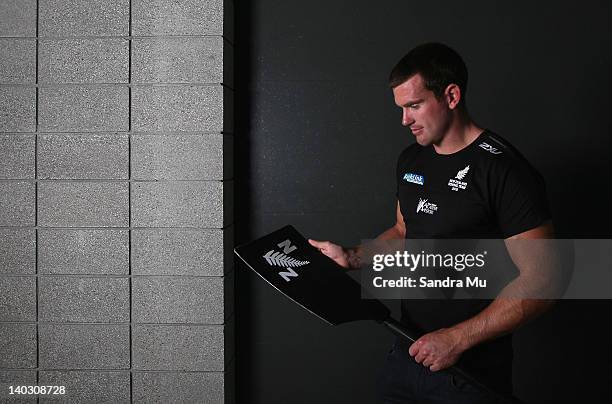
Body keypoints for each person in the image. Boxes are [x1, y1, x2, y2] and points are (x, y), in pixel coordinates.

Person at [308, 43, 555, 403]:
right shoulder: (411, 159)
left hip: (469, 375)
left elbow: (544, 280)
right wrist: (353, 256)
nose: (404, 120)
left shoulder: (505, 170)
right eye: (401, 108)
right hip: (407, 352)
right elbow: (404, 232)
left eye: (414, 106)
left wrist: (455, 339)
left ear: (451, 95)